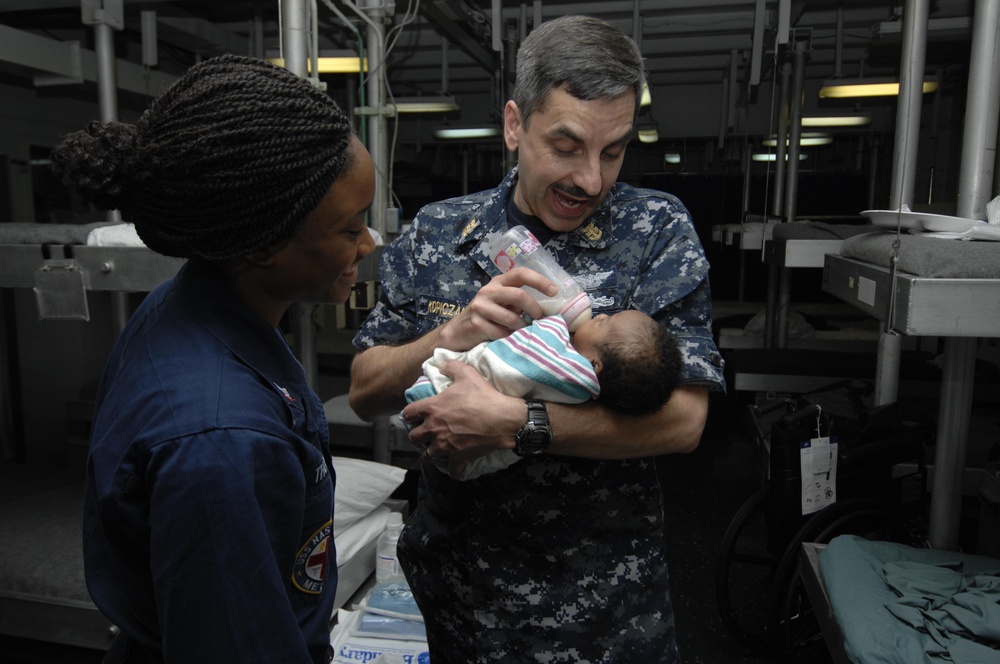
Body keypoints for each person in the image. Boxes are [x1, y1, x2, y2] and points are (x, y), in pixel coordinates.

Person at [349, 14, 725, 663]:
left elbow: (685, 421)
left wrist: (518, 423)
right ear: (515, 125)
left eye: (613, 151)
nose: (592, 179)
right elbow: (363, 391)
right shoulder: (441, 231)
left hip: (607, 605)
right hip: (467, 597)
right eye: (567, 145)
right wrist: (455, 329)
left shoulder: (656, 228)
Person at [51, 54, 376, 663]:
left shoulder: (189, 306)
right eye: (349, 227)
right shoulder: (220, 439)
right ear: (261, 244)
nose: (369, 241)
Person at [405, 310, 683, 480]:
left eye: (605, 322)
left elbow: (524, 348)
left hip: (436, 396)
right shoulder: (584, 395)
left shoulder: (556, 362)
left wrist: (554, 318)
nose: (598, 315)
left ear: (595, 365)